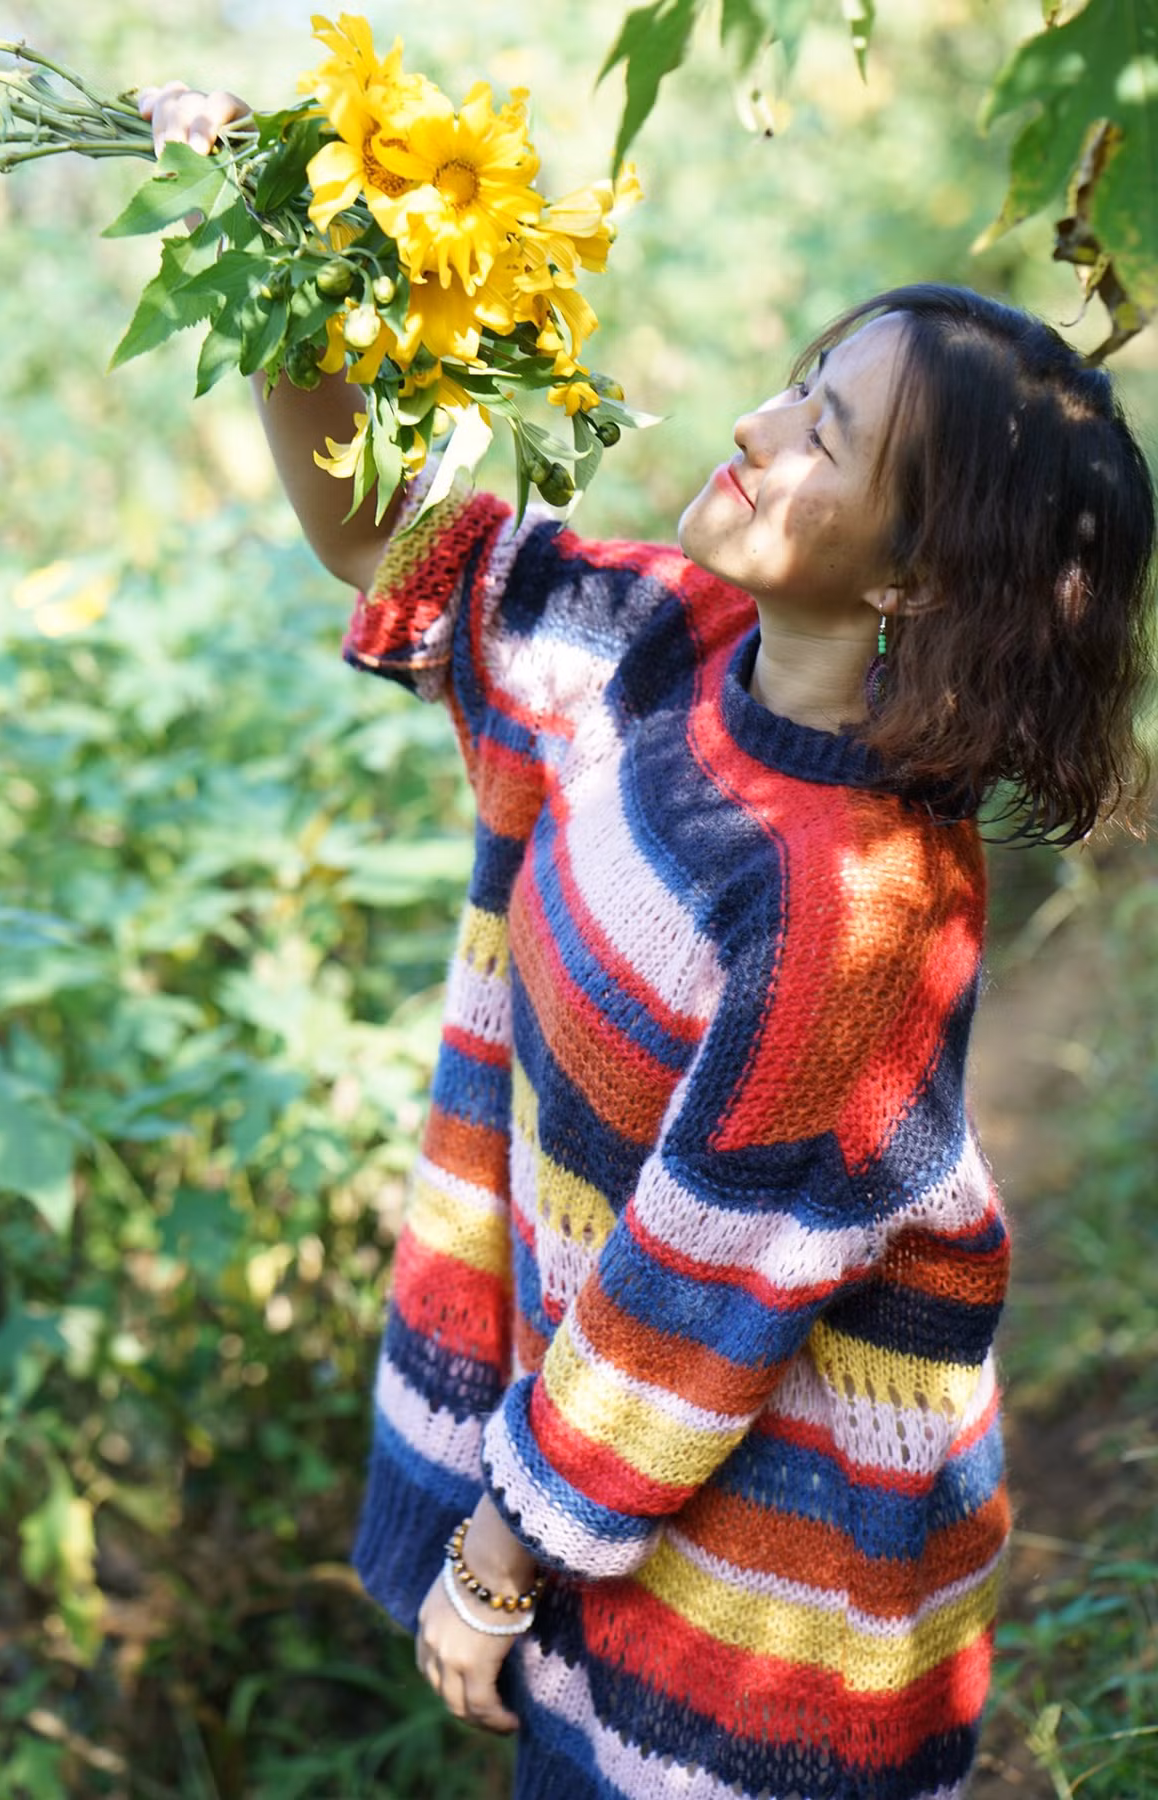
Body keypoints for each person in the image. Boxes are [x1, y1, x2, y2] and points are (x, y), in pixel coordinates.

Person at [142, 83, 1155, 1800]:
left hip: (779, 1622)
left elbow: (693, 1295)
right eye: (795, 384)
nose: (756, 427)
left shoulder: (858, 902)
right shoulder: (658, 652)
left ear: (916, 580)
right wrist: (276, 244)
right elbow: (390, 541)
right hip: (620, 1519)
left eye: (826, 434)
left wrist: (499, 1559)